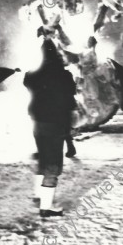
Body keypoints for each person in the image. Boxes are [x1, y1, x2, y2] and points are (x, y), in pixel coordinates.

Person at [24, 39, 77, 217]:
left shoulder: (35, 75)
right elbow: (71, 97)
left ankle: (39, 196)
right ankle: (46, 208)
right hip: (56, 123)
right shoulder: (64, 75)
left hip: (38, 122)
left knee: (43, 159)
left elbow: (27, 80)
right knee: (53, 165)